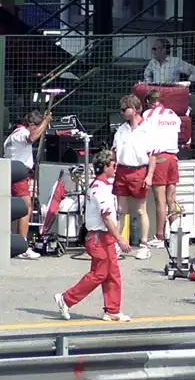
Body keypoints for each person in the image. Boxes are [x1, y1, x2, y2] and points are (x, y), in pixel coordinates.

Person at [54, 149, 132, 322]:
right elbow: (105, 217)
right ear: (105, 167)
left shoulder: (102, 186)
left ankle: (112, 310)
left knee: (113, 274)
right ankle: (66, 299)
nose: (115, 167)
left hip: (103, 237)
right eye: (113, 165)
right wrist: (120, 238)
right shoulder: (100, 189)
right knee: (99, 274)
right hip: (99, 237)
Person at [112, 94, 158, 260]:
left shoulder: (147, 129)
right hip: (122, 171)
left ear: (135, 109)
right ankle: (118, 243)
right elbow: (114, 150)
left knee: (140, 210)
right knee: (121, 210)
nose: (122, 112)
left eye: (125, 109)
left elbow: (153, 155)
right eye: (122, 109)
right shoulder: (121, 129)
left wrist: (149, 176)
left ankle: (144, 245)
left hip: (139, 171)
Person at [2, 110, 51, 259]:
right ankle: (22, 245)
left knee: (15, 210)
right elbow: (32, 138)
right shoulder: (21, 133)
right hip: (18, 174)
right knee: (25, 207)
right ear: (30, 124)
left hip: (12, 173)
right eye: (36, 126)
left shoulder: (12, 136)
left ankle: (15, 243)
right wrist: (46, 122)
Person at [142, 90, 183, 248]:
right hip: (173, 158)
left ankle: (159, 237)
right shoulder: (173, 114)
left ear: (148, 101)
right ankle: (175, 235)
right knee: (171, 200)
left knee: (160, 200)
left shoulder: (148, 115)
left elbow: (144, 136)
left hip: (159, 158)